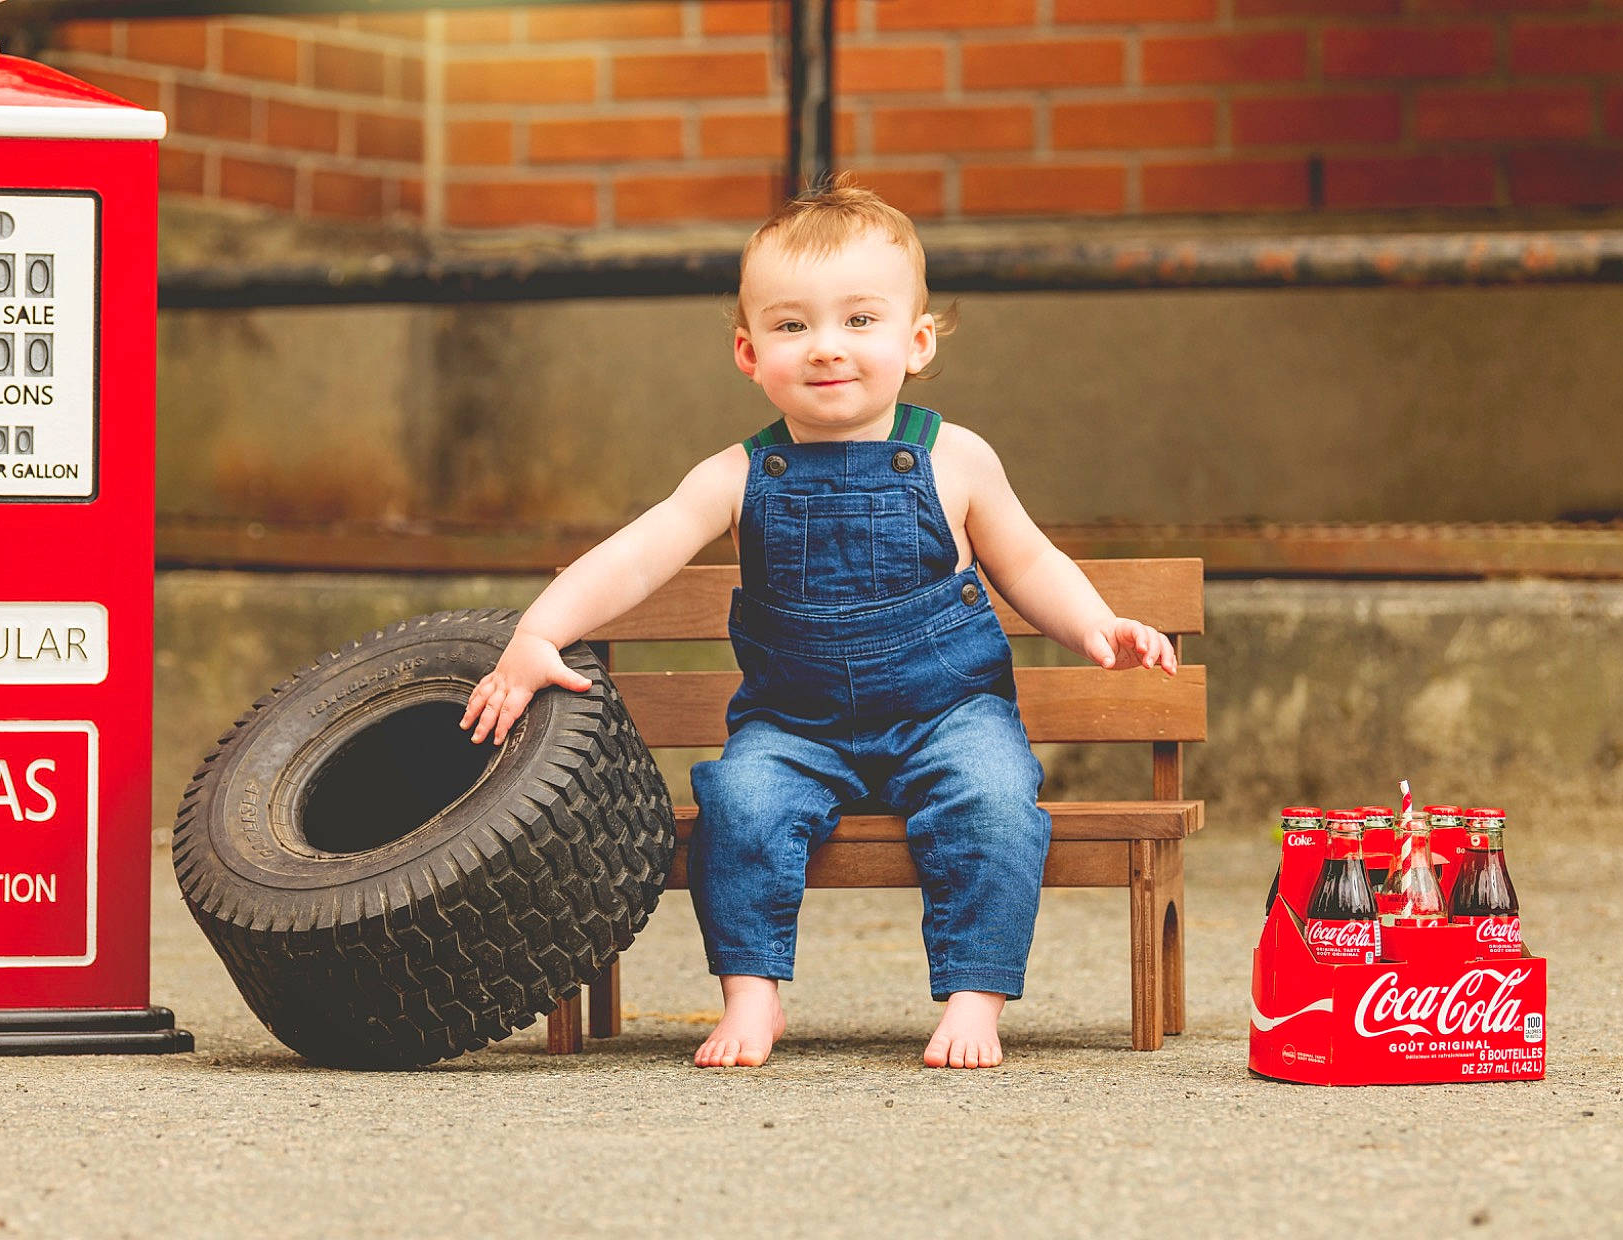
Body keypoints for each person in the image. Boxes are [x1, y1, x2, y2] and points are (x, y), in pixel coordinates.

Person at [457, 176, 1177, 1070]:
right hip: (793, 726)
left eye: (860, 320)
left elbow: (1028, 564)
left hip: (949, 715)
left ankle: (974, 997)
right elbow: (636, 557)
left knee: (995, 803)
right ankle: (752, 994)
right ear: (749, 351)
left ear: (916, 341)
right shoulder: (735, 475)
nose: (827, 346)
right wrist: (537, 633)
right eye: (792, 325)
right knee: (740, 804)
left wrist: (1096, 624)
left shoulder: (956, 459)